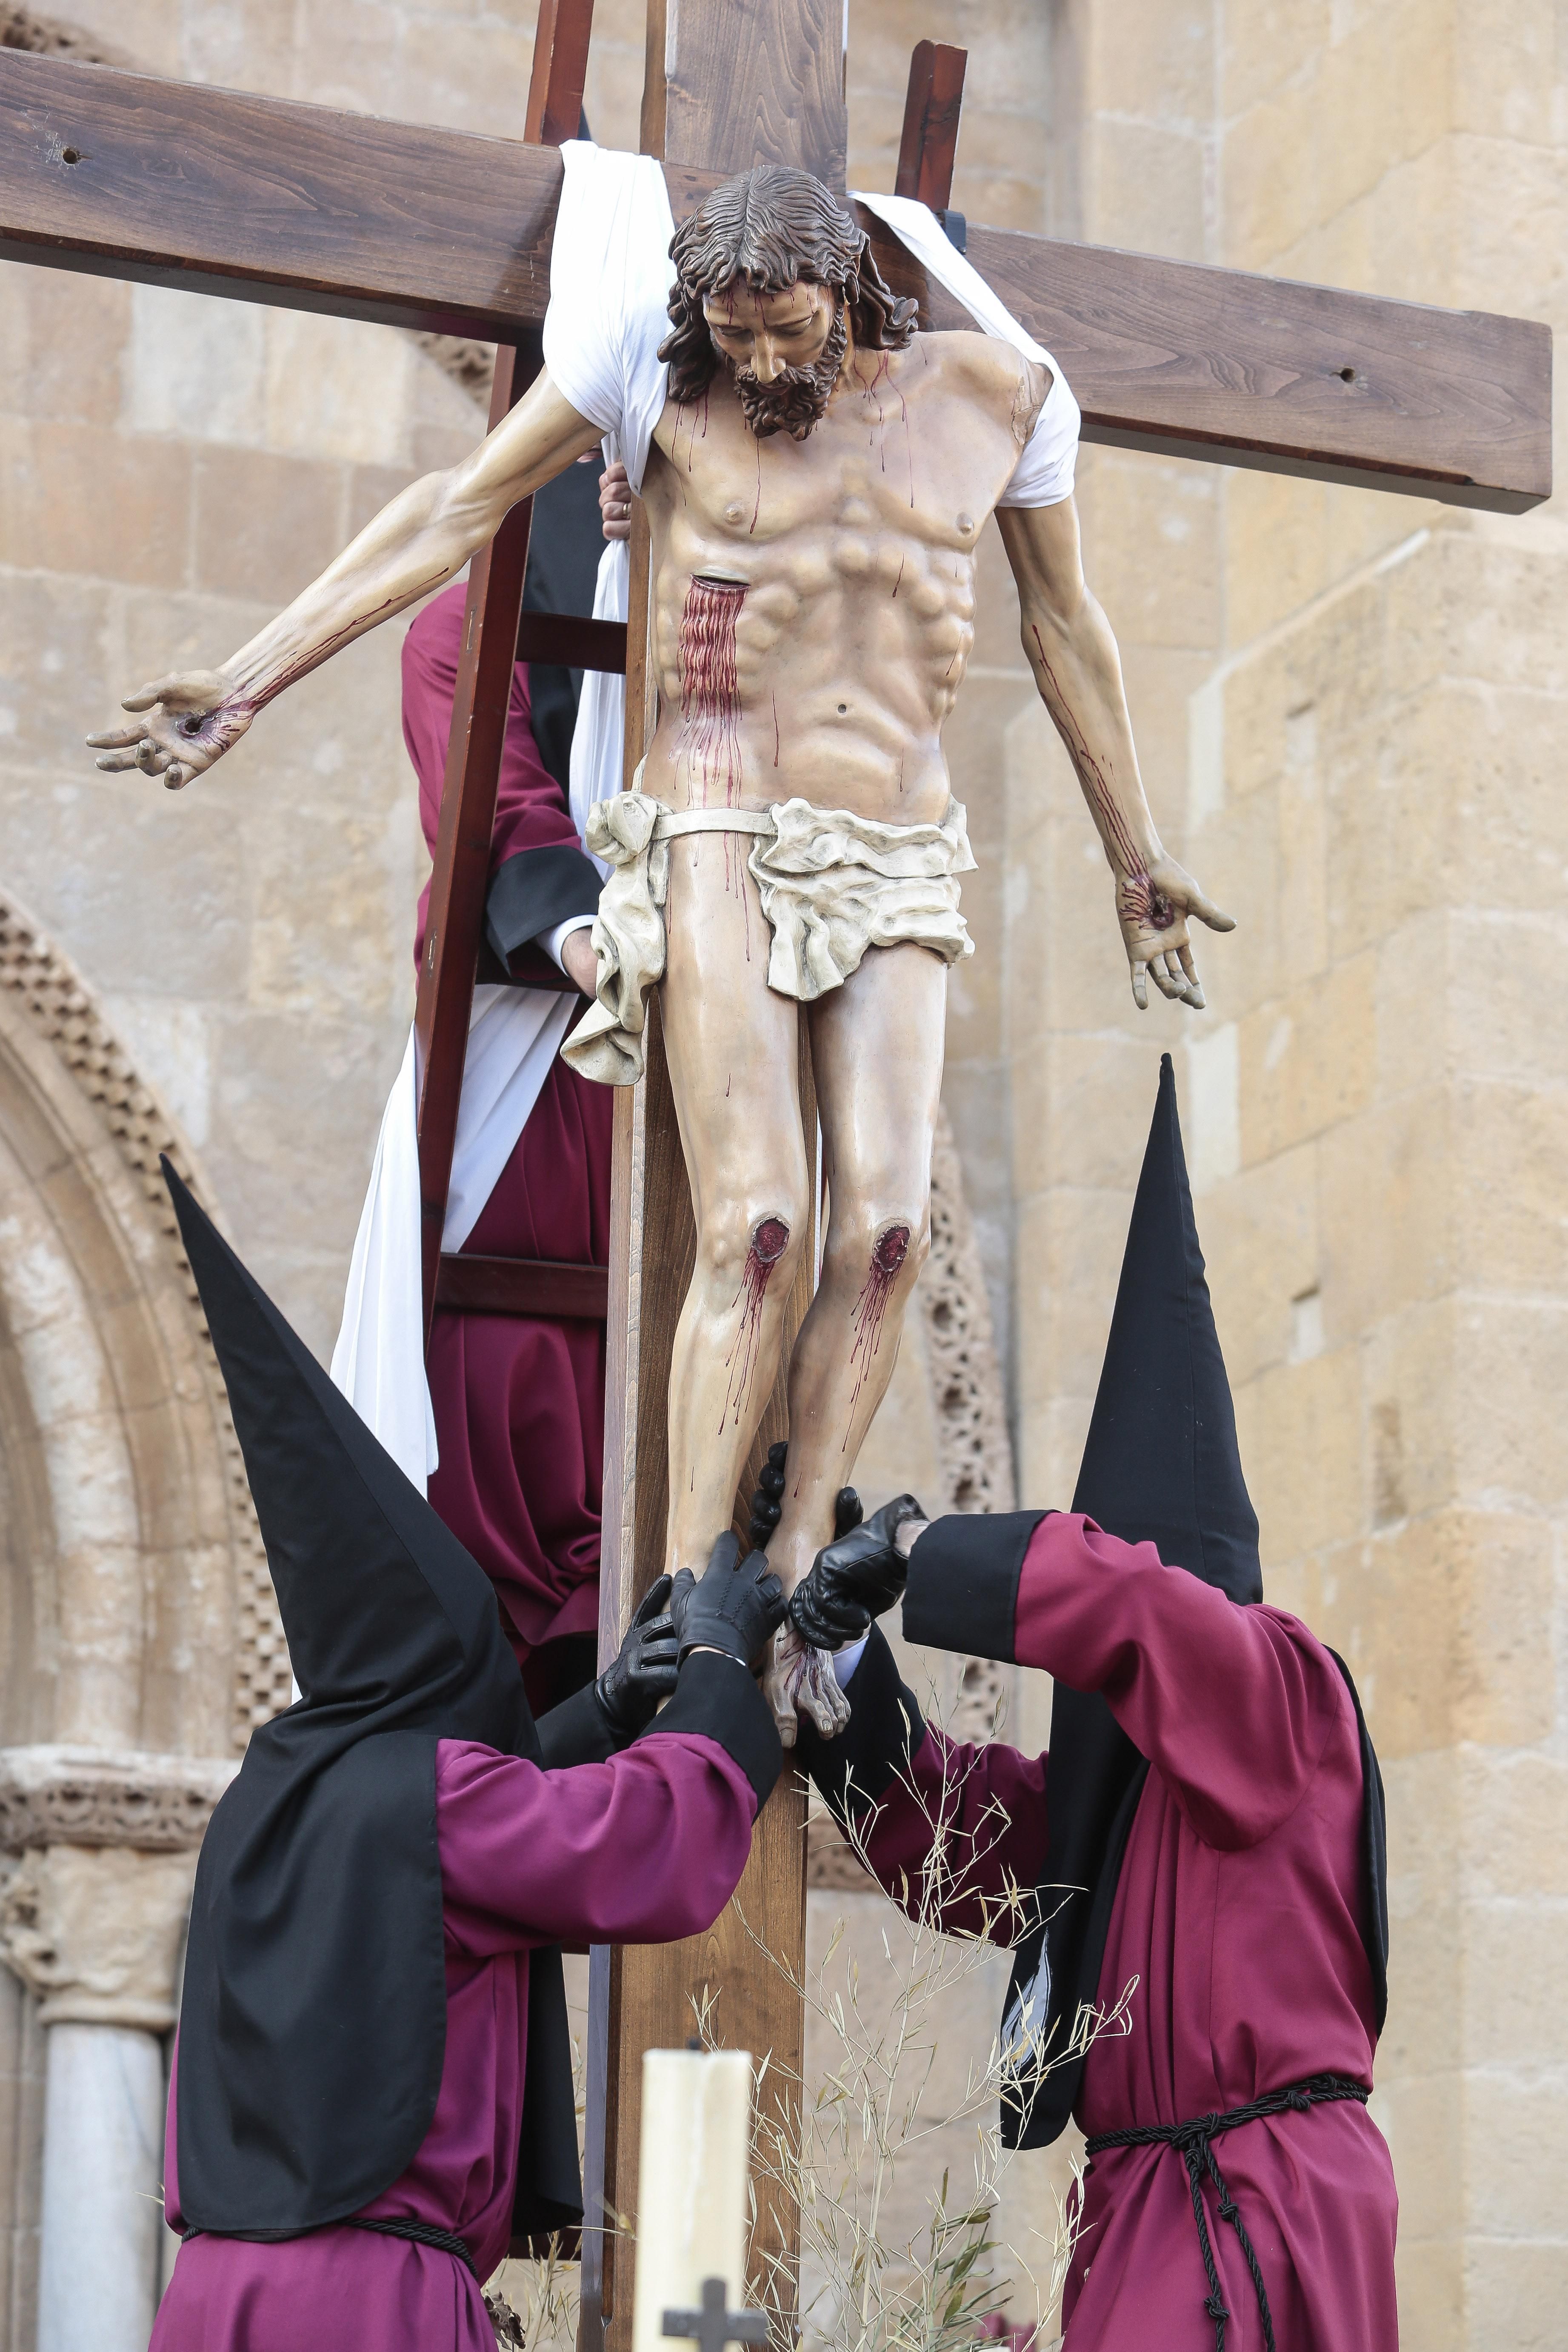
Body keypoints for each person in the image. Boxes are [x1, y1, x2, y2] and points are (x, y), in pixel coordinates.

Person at [85, 153, 1234, 1735]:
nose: (759, 366)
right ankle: (702, 1590)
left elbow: (1066, 629)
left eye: (787, 332)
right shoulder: (654, 364)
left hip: (900, 839)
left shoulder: (1005, 395)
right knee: (757, 1224)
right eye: (735, 333)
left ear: (858, 296)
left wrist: (1135, 852)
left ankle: (803, 1555)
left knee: (883, 1235)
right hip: (721, 813)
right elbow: (457, 511)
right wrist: (247, 677)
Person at [772, 1057, 1395, 2350]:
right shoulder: (1108, 1806)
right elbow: (948, 1842)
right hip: (1142, 2202)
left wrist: (915, 1554)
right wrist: (832, 1648)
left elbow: (1141, 1616)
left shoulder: (1284, 1693)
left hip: (1265, 2204)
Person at [152, 1159, 787, 2352]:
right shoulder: (435, 1805)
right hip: (362, 2308)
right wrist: (716, 1673)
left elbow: (438, 1862)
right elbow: (635, 1848)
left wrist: (603, 1707)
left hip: (214, 2306)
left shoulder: (272, 1798)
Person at [401, 457, 611, 1711]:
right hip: (533, 1061)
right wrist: (584, 934)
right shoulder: (481, 593)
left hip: (680, 1083)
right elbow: (491, 789)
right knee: (501, 1418)